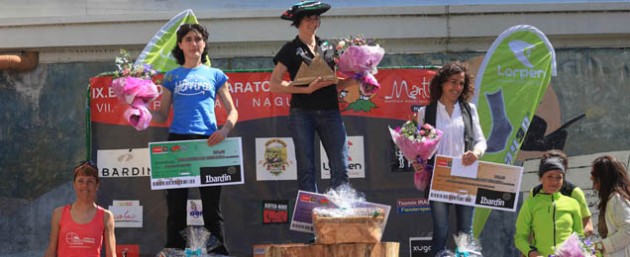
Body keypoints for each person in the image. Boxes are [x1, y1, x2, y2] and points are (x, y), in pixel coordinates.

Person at [154, 23, 238, 255]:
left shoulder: (215, 75)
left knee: (212, 207)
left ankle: (218, 252)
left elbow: (233, 110)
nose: (194, 43)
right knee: (176, 207)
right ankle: (174, 251)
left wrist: (224, 130)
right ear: (180, 45)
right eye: (189, 39)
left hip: (208, 142)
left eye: (198, 39)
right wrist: (139, 110)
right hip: (178, 143)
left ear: (204, 43)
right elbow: (161, 114)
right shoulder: (171, 76)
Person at [270, 1, 358, 193]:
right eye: (308, 18)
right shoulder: (290, 48)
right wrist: (305, 90)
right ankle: (310, 215)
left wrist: (358, 78)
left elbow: (333, 81)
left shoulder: (328, 46)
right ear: (298, 22)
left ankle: (339, 212)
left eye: (316, 18)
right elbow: (274, 84)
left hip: (331, 111)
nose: (313, 22)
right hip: (302, 113)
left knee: (341, 166)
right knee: (306, 168)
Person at [415, 61, 487, 255]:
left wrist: (475, 154)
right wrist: (418, 161)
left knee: (465, 232)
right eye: (452, 82)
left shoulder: (469, 110)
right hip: (438, 176)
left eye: (461, 83)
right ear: (441, 83)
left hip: (465, 175)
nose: (457, 87)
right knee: (440, 230)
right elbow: (420, 149)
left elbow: (481, 141)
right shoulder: (425, 113)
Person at [44, 161, 117, 257]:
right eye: (80, 181)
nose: (85, 186)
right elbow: (51, 250)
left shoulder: (106, 216)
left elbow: (111, 254)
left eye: (90, 181)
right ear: (74, 184)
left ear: (97, 185)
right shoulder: (59, 214)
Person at [515, 157, 584, 257]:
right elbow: (520, 238)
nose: (554, 181)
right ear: (541, 178)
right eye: (550, 176)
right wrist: (533, 254)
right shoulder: (531, 204)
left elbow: (579, 236)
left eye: (558, 177)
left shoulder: (573, 203)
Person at [529, 149, 593, 236]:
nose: (553, 181)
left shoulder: (574, 193)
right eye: (550, 175)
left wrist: (570, 244)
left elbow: (588, 226)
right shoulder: (534, 192)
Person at [590, 155, 630, 256]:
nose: (591, 178)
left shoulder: (616, 199)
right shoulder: (614, 198)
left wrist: (601, 246)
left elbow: (628, 230)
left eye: (594, 175)